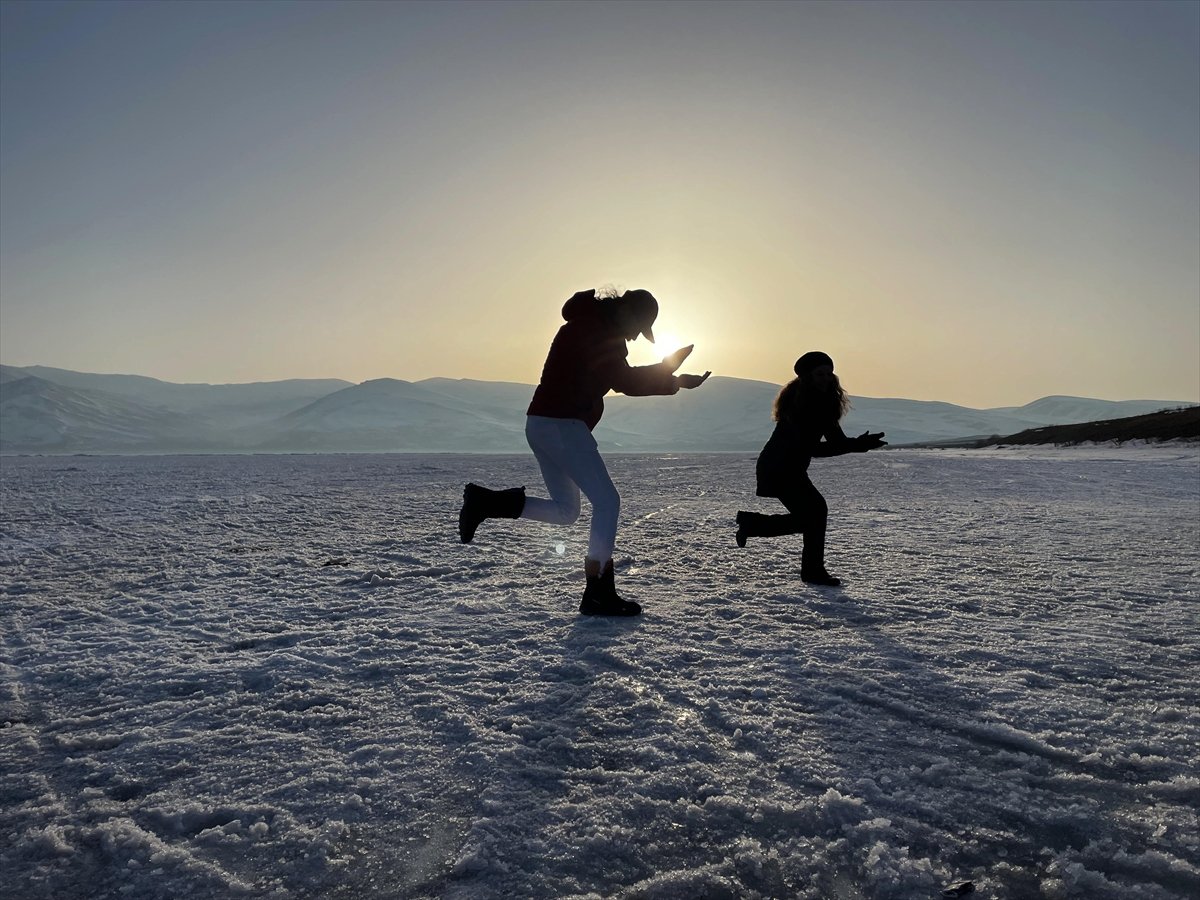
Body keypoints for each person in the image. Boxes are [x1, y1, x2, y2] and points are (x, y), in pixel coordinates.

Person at [458, 287, 710, 616]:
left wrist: (671, 376)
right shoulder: (595, 331)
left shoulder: (588, 325)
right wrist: (671, 373)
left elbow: (619, 376)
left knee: (566, 511)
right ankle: (598, 592)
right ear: (627, 313)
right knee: (607, 502)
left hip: (542, 424)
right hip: (562, 426)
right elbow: (625, 381)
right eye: (639, 328)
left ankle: (486, 503)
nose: (636, 337)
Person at [735, 351, 885, 586]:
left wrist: (860, 444)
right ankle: (810, 570)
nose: (826, 378)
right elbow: (813, 448)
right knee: (814, 513)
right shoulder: (801, 405)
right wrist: (857, 445)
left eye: (829, 373)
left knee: (811, 516)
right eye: (819, 374)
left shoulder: (823, 403)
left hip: (790, 467)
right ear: (807, 377)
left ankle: (755, 526)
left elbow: (835, 442)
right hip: (778, 468)